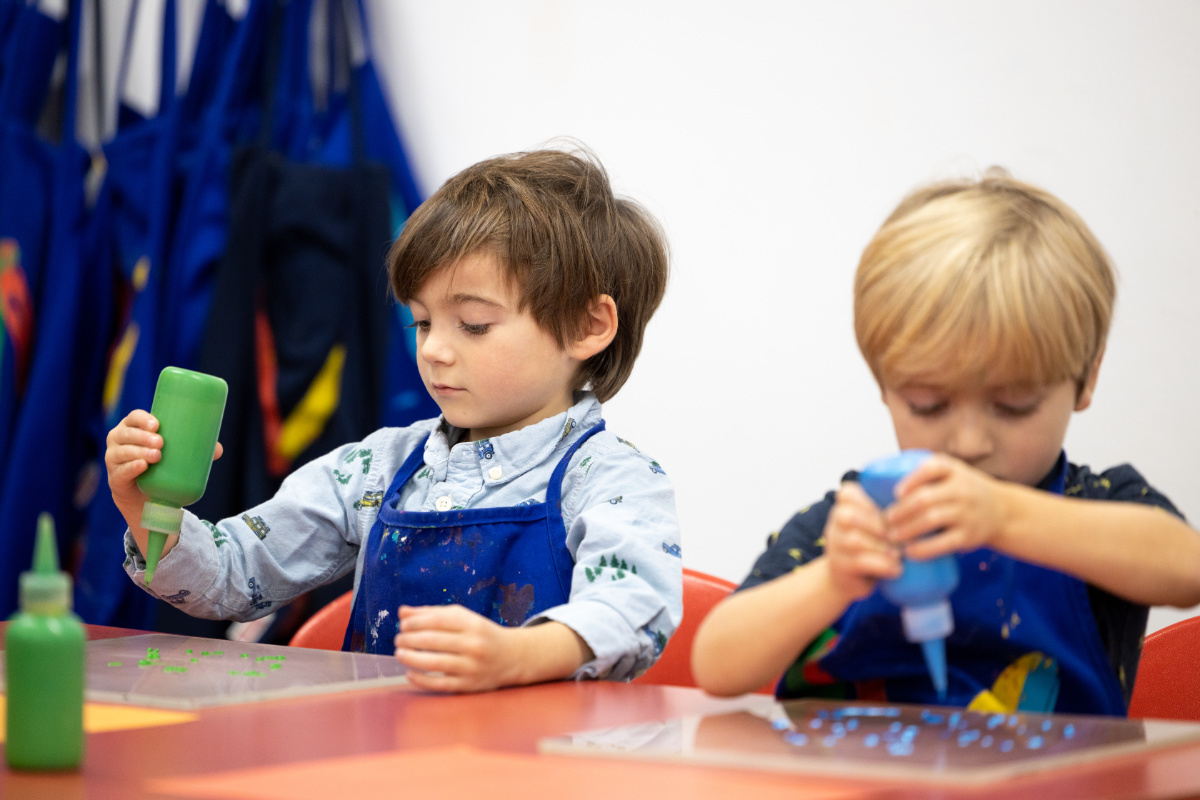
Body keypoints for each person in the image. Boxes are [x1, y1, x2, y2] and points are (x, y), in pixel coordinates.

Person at [106, 147, 681, 693]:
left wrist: (518, 656)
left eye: (474, 325)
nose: (432, 351)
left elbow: (632, 609)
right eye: (423, 323)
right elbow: (233, 578)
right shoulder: (377, 469)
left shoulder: (612, 480)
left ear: (587, 327)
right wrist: (147, 510)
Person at [692, 170, 1200, 715]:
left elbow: (1185, 568)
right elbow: (716, 665)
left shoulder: (1098, 505)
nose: (969, 442)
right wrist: (832, 581)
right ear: (884, 386)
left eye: (1013, 405)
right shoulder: (853, 522)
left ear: (1086, 377)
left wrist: (1005, 517)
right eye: (929, 405)